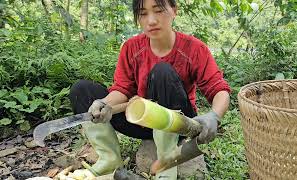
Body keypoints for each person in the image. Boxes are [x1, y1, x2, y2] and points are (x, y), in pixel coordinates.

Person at [69, 0, 230, 179]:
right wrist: (104, 103)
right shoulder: (131, 48)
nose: (151, 20)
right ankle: (109, 160)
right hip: (142, 121)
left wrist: (214, 115)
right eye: (143, 13)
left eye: (158, 10)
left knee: (162, 71)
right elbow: (122, 88)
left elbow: (218, 89)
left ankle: (167, 166)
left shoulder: (194, 48)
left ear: (174, 11)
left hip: (177, 124)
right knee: (81, 90)